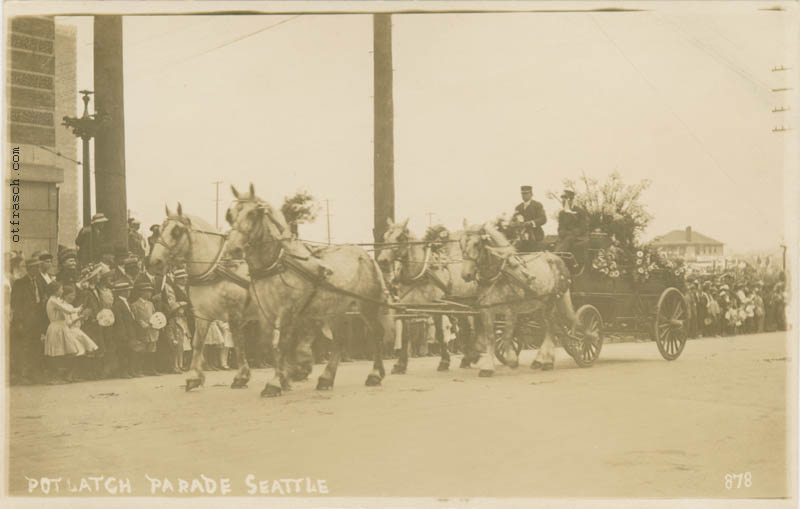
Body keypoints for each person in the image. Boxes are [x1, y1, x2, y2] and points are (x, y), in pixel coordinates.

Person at [43, 281, 98, 383]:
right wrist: (79, 309)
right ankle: (55, 377)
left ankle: (61, 376)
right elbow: (67, 310)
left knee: (64, 352)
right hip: (57, 327)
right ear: (55, 291)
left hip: (61, 326)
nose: (62, 291)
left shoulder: (56, 300)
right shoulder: (53, 300)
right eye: (60, 289)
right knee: (57, 353)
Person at [131, 280, 161, 376]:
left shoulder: (150, 304)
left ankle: (151, 369)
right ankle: (139, 370)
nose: (149, 293)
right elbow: (136, 318)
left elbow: (154, 315)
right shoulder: (134, 305)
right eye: (147, 291)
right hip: (142, 331)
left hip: (152, 330)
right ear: (141, 292)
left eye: (150, 291)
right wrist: (142, 324)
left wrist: (156, 324)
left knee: (152, 350)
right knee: (141, 350)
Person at [111, 280, 138, 378]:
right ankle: (123, 372)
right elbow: (119, 321)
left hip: (129, 331)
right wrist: (123, 334)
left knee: (130, 352)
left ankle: (130, 370)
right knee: (123, 353)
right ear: (122, 292)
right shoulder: (118, 304)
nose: (129, 292)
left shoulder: (126, 302)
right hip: (123, 333)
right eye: (127, 291)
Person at [555, 189, 589, 264]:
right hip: (566, 236)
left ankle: (557, 257)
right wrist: (562, 232)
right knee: (555, 242)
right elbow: (560, 227)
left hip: (579, 236)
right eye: (562, 200)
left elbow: (584, 227)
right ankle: (557, 256)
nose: (563, 202)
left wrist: (573, 232)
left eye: (565, 200)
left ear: (571, 200)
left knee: (568, 239)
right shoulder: (562, 213)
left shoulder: (580, 211)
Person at [511, 185, 547, 252]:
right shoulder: (518, 207)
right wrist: (514, 223)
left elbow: (543, 219)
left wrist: (531, 223)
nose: (524, 195)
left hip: (536, 235)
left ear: (531, 194)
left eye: (526, 193)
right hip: (522, 236)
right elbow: (513, 219)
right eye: (522, 193)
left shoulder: (537, 205)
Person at [163, 301, 191, 373]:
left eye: (183, 309)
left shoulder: (184, 319)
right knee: (176, 352)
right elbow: (170, 330)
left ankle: (180, 365)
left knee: (182, 352)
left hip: (184, 337)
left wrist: (189, 336)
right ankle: (175, 366)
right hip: (177, 337)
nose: (182, 311)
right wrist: (172, 339)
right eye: (181, 309)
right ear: (176, 311)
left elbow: (186, 328)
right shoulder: (172, 320)